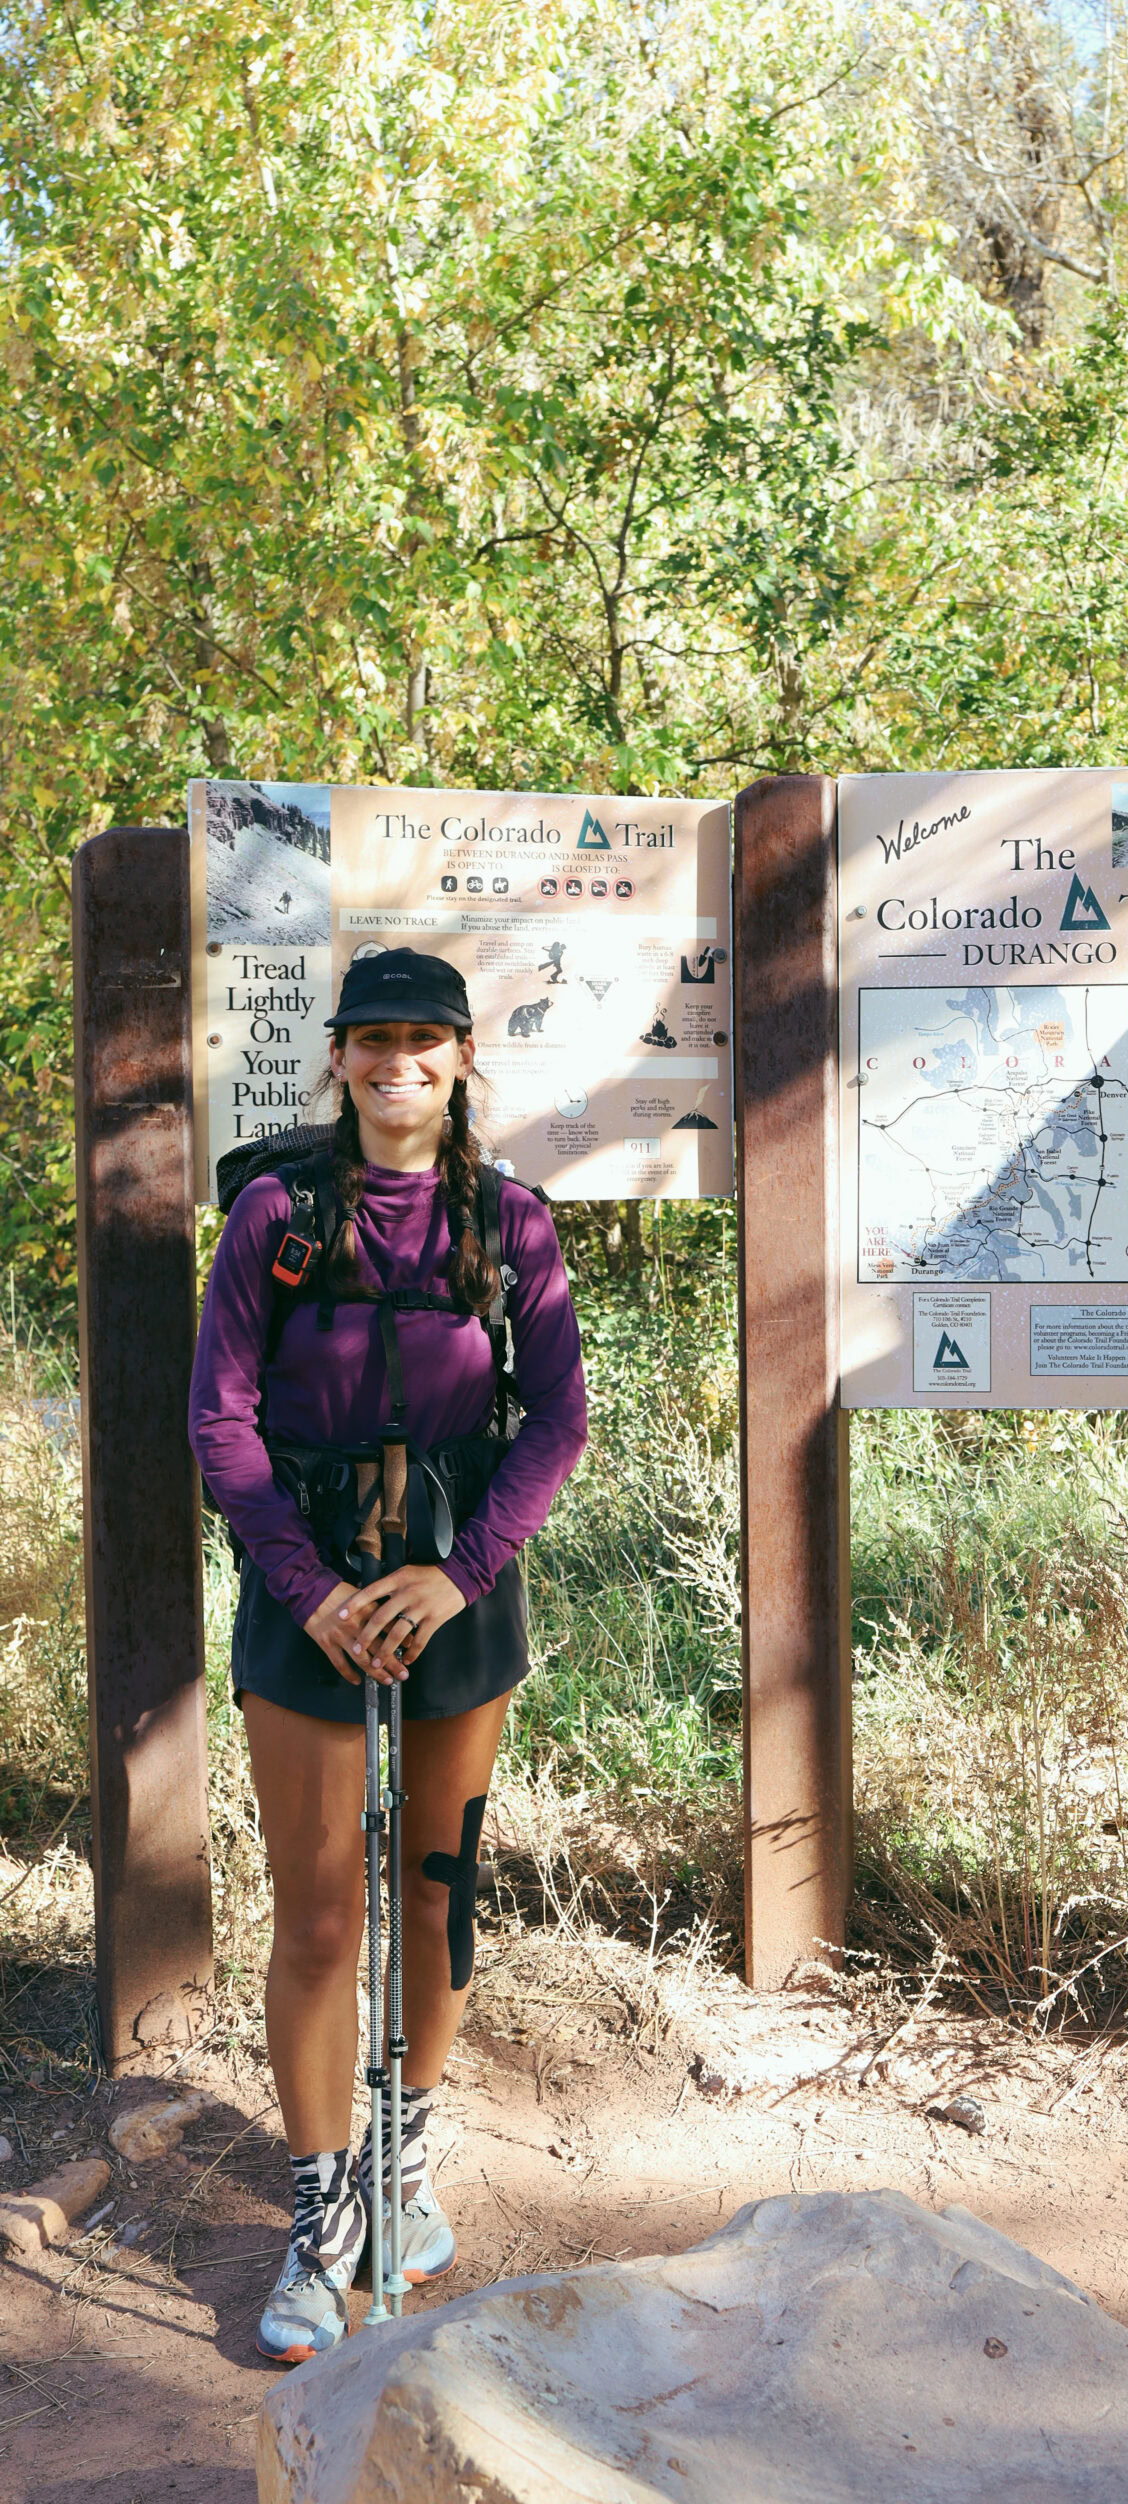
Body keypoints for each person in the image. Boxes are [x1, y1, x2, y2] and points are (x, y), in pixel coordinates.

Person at [189, 948, 587, 2364]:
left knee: (435, 1897)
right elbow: (221, 1420)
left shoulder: (511, 1222)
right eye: (374, 1040)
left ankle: (400, 2166)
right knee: (315, 1916)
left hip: (453, 1590)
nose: (397, 1062)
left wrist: (456, 1572)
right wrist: (307, 1589)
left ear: (462, 1057)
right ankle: (319, 2215)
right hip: (306, 1593)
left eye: (425, 1039)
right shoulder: (274, 1219)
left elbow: (555, 1421)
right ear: (340, 1057)